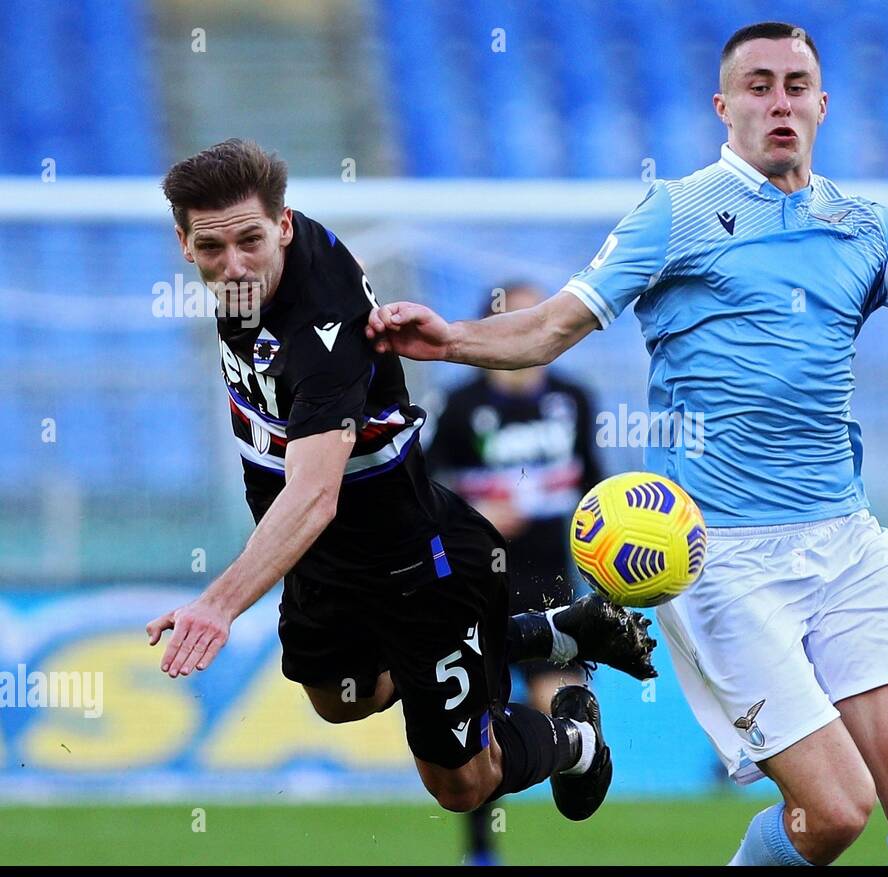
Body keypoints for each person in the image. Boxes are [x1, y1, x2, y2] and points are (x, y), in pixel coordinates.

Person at [367, 22, 888, 865]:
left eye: (796, 85)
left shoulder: (867, 228)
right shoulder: (675, 213)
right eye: (759, 85)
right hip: (721, 557)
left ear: (822, 104)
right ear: (723, 106)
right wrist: (451, 339)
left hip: (846, 544)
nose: (780, 101)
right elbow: (549, 328)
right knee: (837, 813)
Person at [146, 139, 656, 826]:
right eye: (212, 248)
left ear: (285, 226)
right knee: (338, 698)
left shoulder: (321, 334)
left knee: (462, 787)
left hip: (414, 564)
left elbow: (315, 496)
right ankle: (545, 631)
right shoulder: (258, 274)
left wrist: (218, 603)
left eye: (250, 241)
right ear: (183, 243)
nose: (234, 266)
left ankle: (573, 739)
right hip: (321, 554)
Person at [427, 281, 605, 863]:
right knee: (476, 724)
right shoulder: (461, 405)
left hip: (554, 584)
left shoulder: (574, 399)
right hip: (481, 590)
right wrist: (475, 513)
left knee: (571, 706)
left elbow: (596, 487)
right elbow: (421, 492)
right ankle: (481, 851)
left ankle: (575, 769)